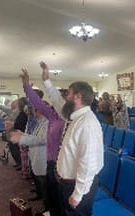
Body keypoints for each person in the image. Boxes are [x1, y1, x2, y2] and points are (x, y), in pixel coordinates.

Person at [42, 63, 104, 216]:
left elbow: (88, 164)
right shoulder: (73, 116)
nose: (65, 96)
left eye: (68, 93)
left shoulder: (86, 124)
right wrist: (47, 82)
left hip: (78, 186)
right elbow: (58, 103)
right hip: (68, 183)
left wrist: (78, 194)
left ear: (78, 96)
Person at [21, 67, 65, 216]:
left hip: (61, 164)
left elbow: (55, 97)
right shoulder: (52, 116)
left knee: (59, 198)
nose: (54, 103)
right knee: (51, 194)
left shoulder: (67, 120)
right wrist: (27, 86)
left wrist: (21, 138)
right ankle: (50, 211)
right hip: (50, 162)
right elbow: (38, 103)